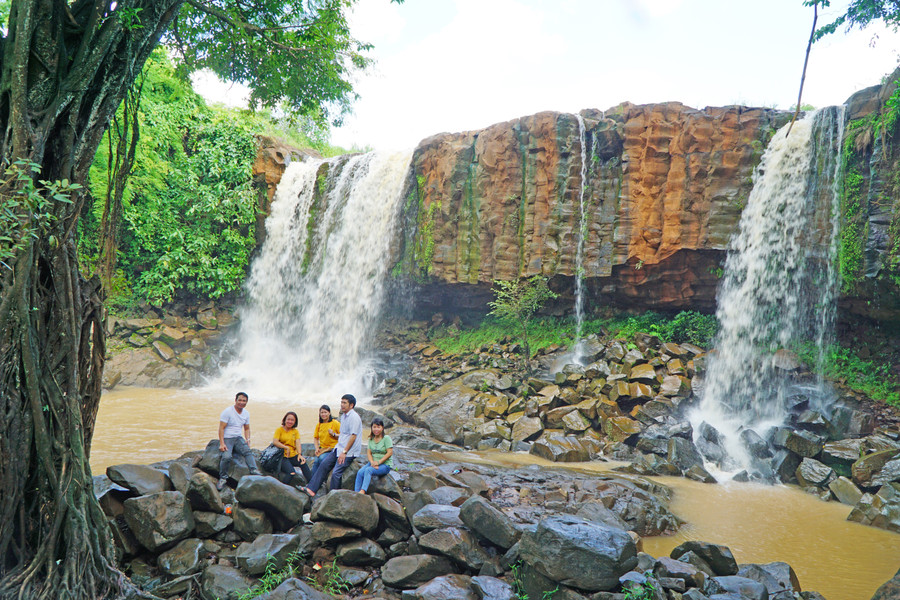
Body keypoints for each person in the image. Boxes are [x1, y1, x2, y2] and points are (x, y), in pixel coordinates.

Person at [302, 393, 362, 497]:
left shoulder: (354, 417)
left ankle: (333, 497)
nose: (342, 405)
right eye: (341, 402)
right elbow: (343, 434)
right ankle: (311, 489)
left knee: (336, 473)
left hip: (349, 452)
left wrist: (344, 452)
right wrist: (335, 436)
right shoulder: (344, 416)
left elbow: (353, 436)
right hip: (339, 448)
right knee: (324, 464)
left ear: (351, 405)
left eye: (344, 403)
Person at [217, 391, 260, 490]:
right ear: (235, 400)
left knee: (248, 451)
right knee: (227, 456)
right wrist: (222, 443)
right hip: (228, 438)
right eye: (240, 400)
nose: (241, 402)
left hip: (238, 437)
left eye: (244, 401)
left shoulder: (246, 413)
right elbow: (221, 428)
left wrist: (248, 439)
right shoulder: (227, 412)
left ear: (246, 402)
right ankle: (223, 478)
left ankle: (253, 470)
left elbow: (247, 428)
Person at [354, 418, 393, 494]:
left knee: (368, 470)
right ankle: (356, 492)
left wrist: (378, 463)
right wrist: (372, 462)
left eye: (378, 427)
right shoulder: (371, 439)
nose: (376, 429)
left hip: (385, 465)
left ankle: (363, 491)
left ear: (382, 428)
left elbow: (390, 453)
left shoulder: (386, 438)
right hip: (373, 463)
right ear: (371, 428)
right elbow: (369, 453)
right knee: (360, 472)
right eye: (374, 427)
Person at [272, 411, 312, 484]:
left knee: (303, 463)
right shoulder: (279, 430)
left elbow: (298, 442)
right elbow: (275, 442)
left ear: (295, 422)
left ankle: (311, 484)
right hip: (283, 456)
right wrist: (286, 447)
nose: (290, 422)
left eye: (292, 420)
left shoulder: (295, 431)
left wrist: (299, 454)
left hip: (293, 455)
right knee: (291, 472)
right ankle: (283, 487)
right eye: (288, 419)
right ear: (285, 420)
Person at [309, 404, 340, 477]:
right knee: (316, 461)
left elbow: (343, 435)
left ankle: (321, 479)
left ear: (329, 413)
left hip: (333, 448)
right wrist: (317, 448)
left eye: (325, 412)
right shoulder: (319, 425)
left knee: (321, 459)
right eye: (322, 412)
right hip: (323, 448)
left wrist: (333, 434)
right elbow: (316, 438)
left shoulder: (335, 423)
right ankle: (312, 480)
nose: (323, 414)